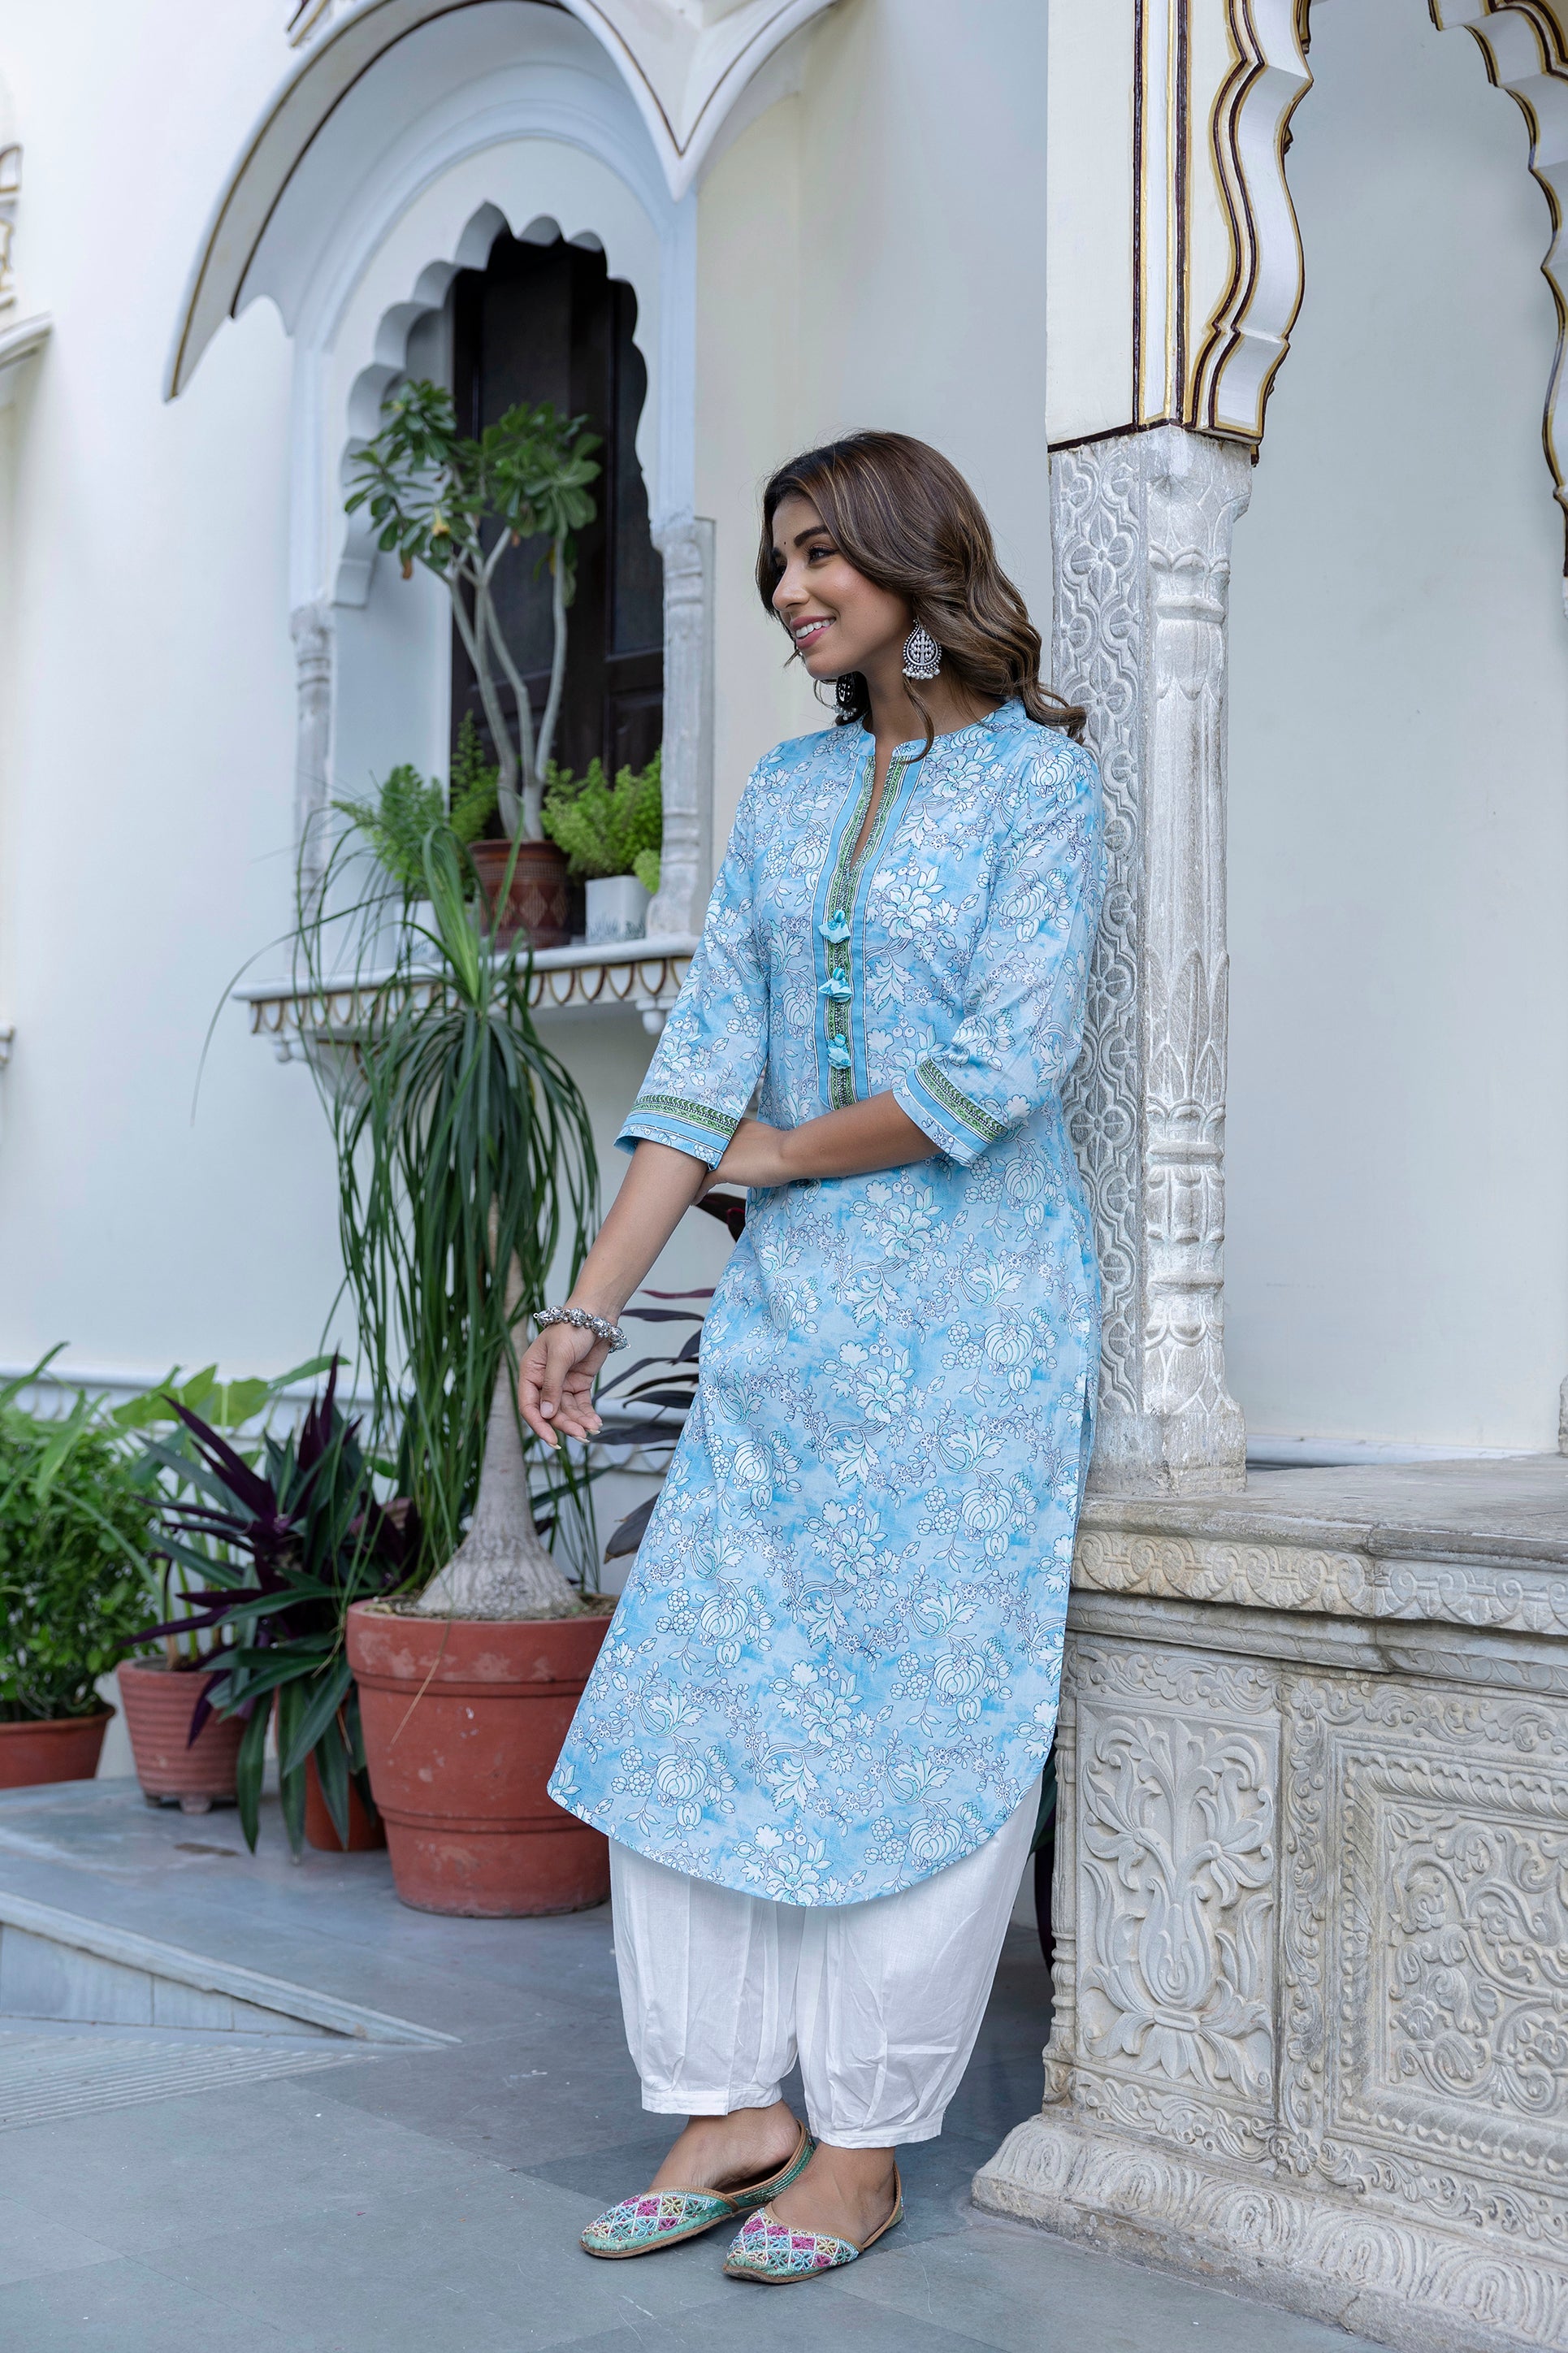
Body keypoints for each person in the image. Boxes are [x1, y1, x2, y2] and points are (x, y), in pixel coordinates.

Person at [518, 430, 1105, 2286]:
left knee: (921, 1711)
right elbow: (698, 1063)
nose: (787, 589)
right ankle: (726, 2103)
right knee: (697, 1691)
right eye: (777, 559)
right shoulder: (784, 792)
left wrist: (780, 1155)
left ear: (912, 558)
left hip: (971, 1320)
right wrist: (583, 1304)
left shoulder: (1038, 789)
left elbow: (999, 1062)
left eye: (816, 554)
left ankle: (858, 2135)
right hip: (791, 1325)